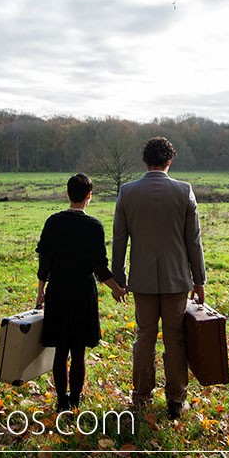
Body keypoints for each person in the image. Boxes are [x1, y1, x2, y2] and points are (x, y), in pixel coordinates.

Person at [112, 137, 206, 419]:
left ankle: (140, 397)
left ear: (145, 161)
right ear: (169, 161)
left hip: (141, 280)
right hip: (177, 279)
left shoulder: (127, 192)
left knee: (144, 337)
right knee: (175, 340)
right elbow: (194, 241)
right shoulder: (184, 191)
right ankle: (176, 400)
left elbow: (119, 240)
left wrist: (119, 277)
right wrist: (199, 280)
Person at [35, 173, 127, 411]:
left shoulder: (53, 222)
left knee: (60, 350)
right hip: (83, 294)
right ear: (89, 196)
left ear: (67, 193)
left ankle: (61, 401)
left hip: (58, 291)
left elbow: (44, 262)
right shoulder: (94, 226)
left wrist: (40, 291)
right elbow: (99, 267)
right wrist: (116, 289)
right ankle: (75, 400)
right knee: (78, 351)